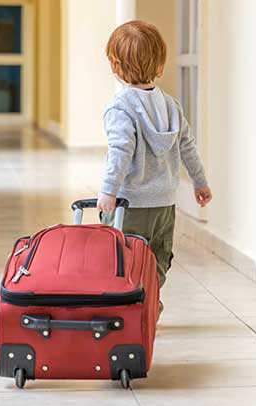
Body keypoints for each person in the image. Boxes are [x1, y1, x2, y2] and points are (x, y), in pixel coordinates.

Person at [97, 20, 212, 317]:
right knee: (157, 258)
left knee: (122, 257)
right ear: (160, 65)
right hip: (164, 204)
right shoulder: (171, 106)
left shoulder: (120, 107)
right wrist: (200, 181)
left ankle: (127, 306)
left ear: (114, 65)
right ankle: (149, 301)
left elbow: (120, 151)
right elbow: (187, 145)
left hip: (129, 203)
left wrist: (109, 190)